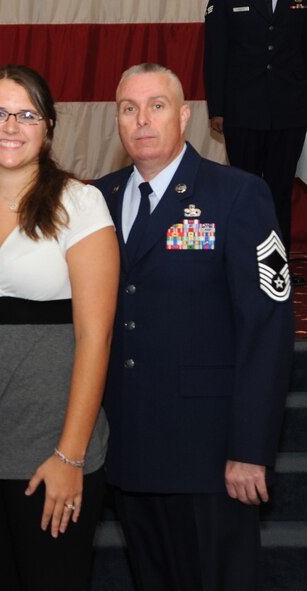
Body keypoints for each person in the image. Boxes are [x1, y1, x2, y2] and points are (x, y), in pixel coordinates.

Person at [93, 63, 294, 591]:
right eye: (128, 108)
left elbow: (266, 330)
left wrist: (251, 448)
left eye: (157, 106)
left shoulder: (237, 195)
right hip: (130, 447)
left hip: (211, 455)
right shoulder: (97, 200)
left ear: (184, 116)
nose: (142, 120)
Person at [0, 65, 119, 591]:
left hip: (50, 449)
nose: (10, 126)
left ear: (48, 127)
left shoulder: (80, 204)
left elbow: (95, 338)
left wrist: (70, 455)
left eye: (26, 114)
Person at [204, 0, 307, 255]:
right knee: (242, 190)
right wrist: (217, 108)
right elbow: (215, 52)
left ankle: (277, 262)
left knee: (280, 190)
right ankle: (243, 259)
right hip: (242, 111)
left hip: (290, 110)